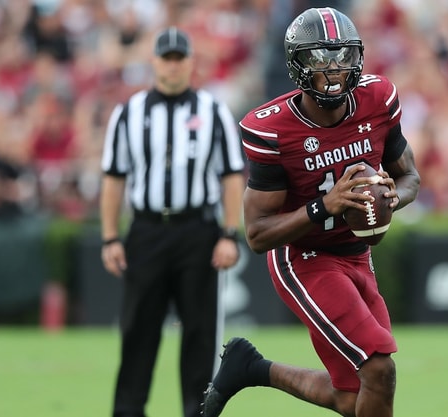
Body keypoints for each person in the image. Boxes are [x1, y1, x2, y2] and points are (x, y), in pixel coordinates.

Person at [201, 7, 420, 417]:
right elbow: (257, 234)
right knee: (378, 368)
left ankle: (250, 368)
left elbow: (410, 178)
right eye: (320, 58)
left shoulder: (377, 99)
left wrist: (392, 196)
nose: (334, 69)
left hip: (357, 255)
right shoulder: (272, 129)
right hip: (305, 258)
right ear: (298, 65)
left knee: (353, 394)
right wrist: (325, 205)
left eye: (343, 57)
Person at [100, 26, 246, 417]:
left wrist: (229, 233)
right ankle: (127, 411)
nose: (173, 65)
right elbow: (114, 178)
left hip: (197, 231)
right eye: (167, 58)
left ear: (191, 63)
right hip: (146, 231)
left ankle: (198, 413)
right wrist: (110, 237)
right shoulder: (127, 113)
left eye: (180, 58)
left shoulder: (213, 111)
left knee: (199, 336)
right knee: (137, 333)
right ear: (154, 62)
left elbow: (232, 176)